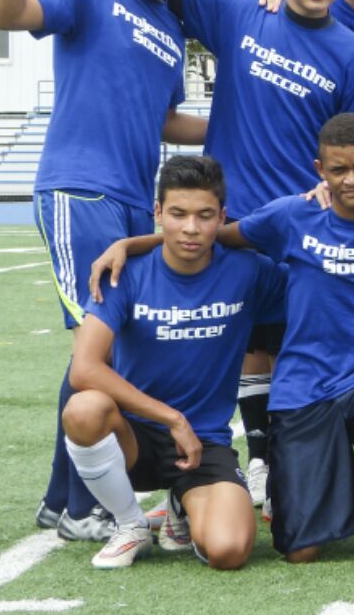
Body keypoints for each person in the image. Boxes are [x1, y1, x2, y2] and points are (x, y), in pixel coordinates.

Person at [60, 0, 354, 509]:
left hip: (301, 227)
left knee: (309, 342)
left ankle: (323, 458)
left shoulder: (352, 55)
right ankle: (258, 462)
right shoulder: (242, 12)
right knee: (246, 346)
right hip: (229, 223)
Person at [93, 113, 354, 561]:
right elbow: (211, 236)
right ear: (319, 170)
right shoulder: (292, 214)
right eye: (339, 170)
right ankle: (299, 484)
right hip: (304, 383)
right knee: (301, 553)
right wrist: (133, 245)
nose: (352, 179)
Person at [0, 0, 207, 542]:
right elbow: (5, 14)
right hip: (78, 188)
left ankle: (66, 500)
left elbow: (168, 118)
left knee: (109, 347)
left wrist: (251, 121)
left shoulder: (172, 30)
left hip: (135, 204)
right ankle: (83, 506)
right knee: (97, 346)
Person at [68, 156, 282, 569]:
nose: (190, 228)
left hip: (205, 443)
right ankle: (130, 523)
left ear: (221, 217)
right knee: (84, 409)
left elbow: (309, 270)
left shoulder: (247, 271)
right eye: (178, 214)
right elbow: (85, 368)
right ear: (158, 213)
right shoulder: (123, 273)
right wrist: (171, 419)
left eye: (204, 216)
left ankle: (182, 506)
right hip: (134, 437)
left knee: (230, 551)